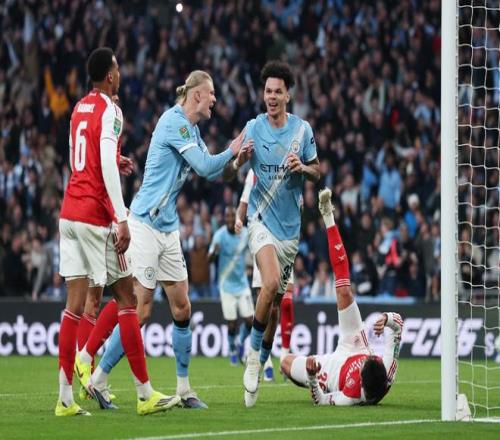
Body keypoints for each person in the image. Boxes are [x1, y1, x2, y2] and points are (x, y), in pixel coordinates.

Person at [76, 69, 252, 409]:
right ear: (197, 95)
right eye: (211, 93)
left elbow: (215, 173)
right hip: (143, 223)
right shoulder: (174, 122)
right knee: (139, 309)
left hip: (167, 228)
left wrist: (238, 161)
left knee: (182, 306)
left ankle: (184, 390)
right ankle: (96, 376)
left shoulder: (193, 131)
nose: (215, 100)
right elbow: (205, 166)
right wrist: (231, 148)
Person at [56, 47, 179, 416]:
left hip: (69, 214)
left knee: (73, 307)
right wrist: (121, 216)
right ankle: (145, 395)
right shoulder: (111, 109)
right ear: (110, 76)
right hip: (95, 217)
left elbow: (80, 159)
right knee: (128, 298)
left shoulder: (79, 108)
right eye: (118, 69)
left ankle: (64, 399)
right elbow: (105, 170)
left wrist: (112, 158)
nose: (121, 74)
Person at [235, 61, 320, 407]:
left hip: (289, 231)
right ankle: (253, 358)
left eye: (277, 92)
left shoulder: (302, 131)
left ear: (288, 95)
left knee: (273, 309)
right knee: (268, 284)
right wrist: (238, 160)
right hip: (259, 221)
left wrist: (304, 168)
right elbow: (227, 167)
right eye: (267, 91)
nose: (271, 96)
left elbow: (318, 171)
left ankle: (262, 352)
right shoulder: (253, 128)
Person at [281, 188, 403, 406]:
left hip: (331, 371)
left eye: (365, 364)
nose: (366, 361)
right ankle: (328, 214)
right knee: (345, 291)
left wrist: (312, 378)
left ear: (361, 382)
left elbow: (321, 400)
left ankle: (302, 375)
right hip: (355, 343)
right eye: (371, 359)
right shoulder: (387, 373)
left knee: (285, 363)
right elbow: (398, 327)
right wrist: (387, 319)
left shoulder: (350, 396)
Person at [236, 168, 295, 381]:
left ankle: (276, 356)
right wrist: (238, 219)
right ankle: (261, 359)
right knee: (265, 297)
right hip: (263, 238)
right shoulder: (254, 171)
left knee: (281, 304)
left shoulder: (290, 165)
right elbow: (244, 201)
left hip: (286, 237)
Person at [208, 207, 254, 366]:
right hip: (226, 286)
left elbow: (255, 248)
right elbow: (208, 259)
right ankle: (233, 349)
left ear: (237, 218)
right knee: (232, 323)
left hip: (242, 284)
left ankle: (240, 341)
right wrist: (214, 253)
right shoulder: (219, 236)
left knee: (250, 321)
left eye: (232, 216)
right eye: (227, 216)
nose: (229, 219)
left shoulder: (245, 233)